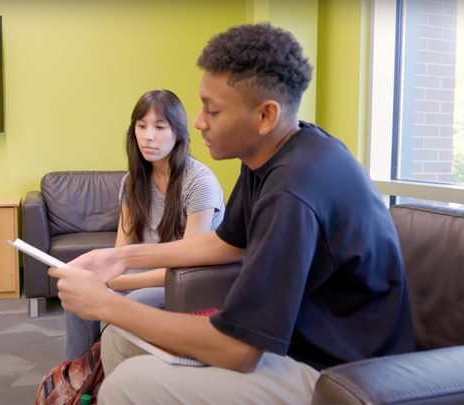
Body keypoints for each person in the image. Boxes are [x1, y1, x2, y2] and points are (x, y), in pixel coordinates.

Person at [51, 23, 415, 403]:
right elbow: (227, 243)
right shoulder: (270, 154)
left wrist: (105, 303)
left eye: (213, 109)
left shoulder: (294, 188)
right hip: (291, 342)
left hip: (340, 369)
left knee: (127, 383)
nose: (197, 121)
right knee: (120, 343)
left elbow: (237, 350)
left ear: (265, 116)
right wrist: (121, 257)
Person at [64, 89, 225, 360]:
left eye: (160, 127)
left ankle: (113, 373)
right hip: (144, 273)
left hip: (185, 281)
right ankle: (79, 376)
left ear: (178, 133)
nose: (148, 136)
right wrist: (99, 279)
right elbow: (121, 250)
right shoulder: (132, 182)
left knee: (128, 305)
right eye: (141, 126)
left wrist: (110, 285)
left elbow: (185, 265)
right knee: (76, 296)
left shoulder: (200, 183)